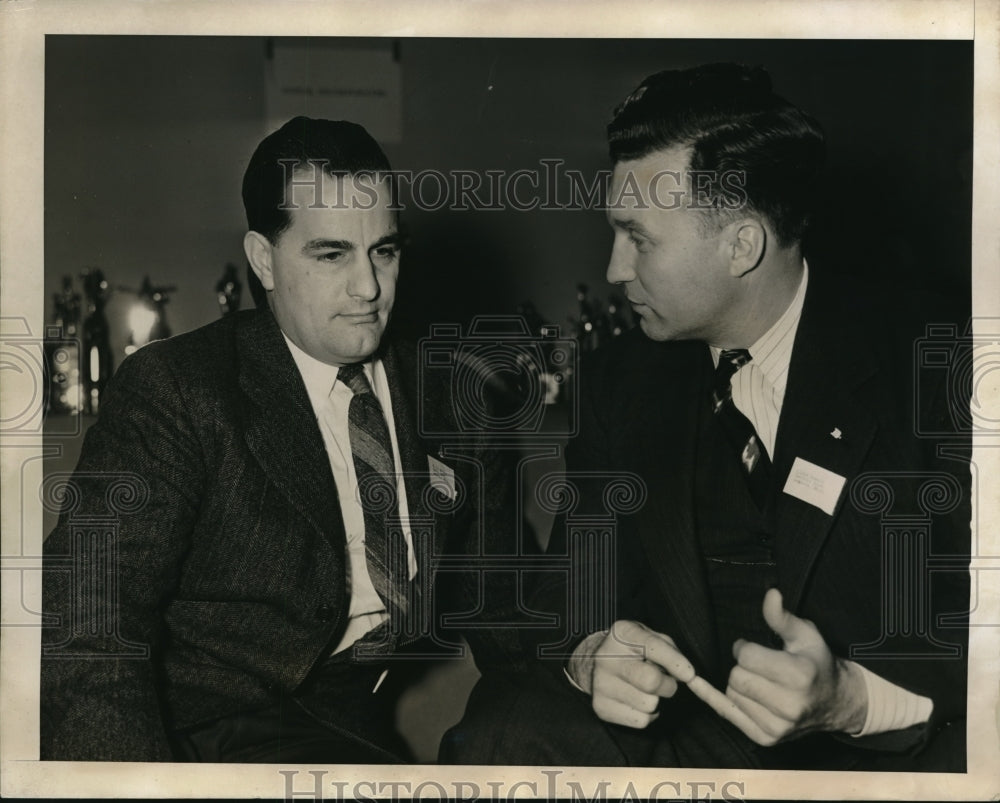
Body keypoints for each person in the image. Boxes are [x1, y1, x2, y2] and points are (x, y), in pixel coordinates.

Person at [443, 63, 971, 771]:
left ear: (741, 245)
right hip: (695, 741)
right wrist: (594, 653)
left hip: (890, 756)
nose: (614, 269)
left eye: (638, 238)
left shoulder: (943, 360)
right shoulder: (623, 380)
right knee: (499, 732)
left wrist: (854, 698)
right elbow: (572, 589)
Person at [41, 117, 523, 762]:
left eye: (384, 251)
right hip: (201, 738)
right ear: (264, 260)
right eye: (331, 255)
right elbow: (86, 619)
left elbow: (505, 602)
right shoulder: (179, 389)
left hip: (351, 731)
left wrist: (585, 663)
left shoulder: (454, 396)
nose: (369, 287)